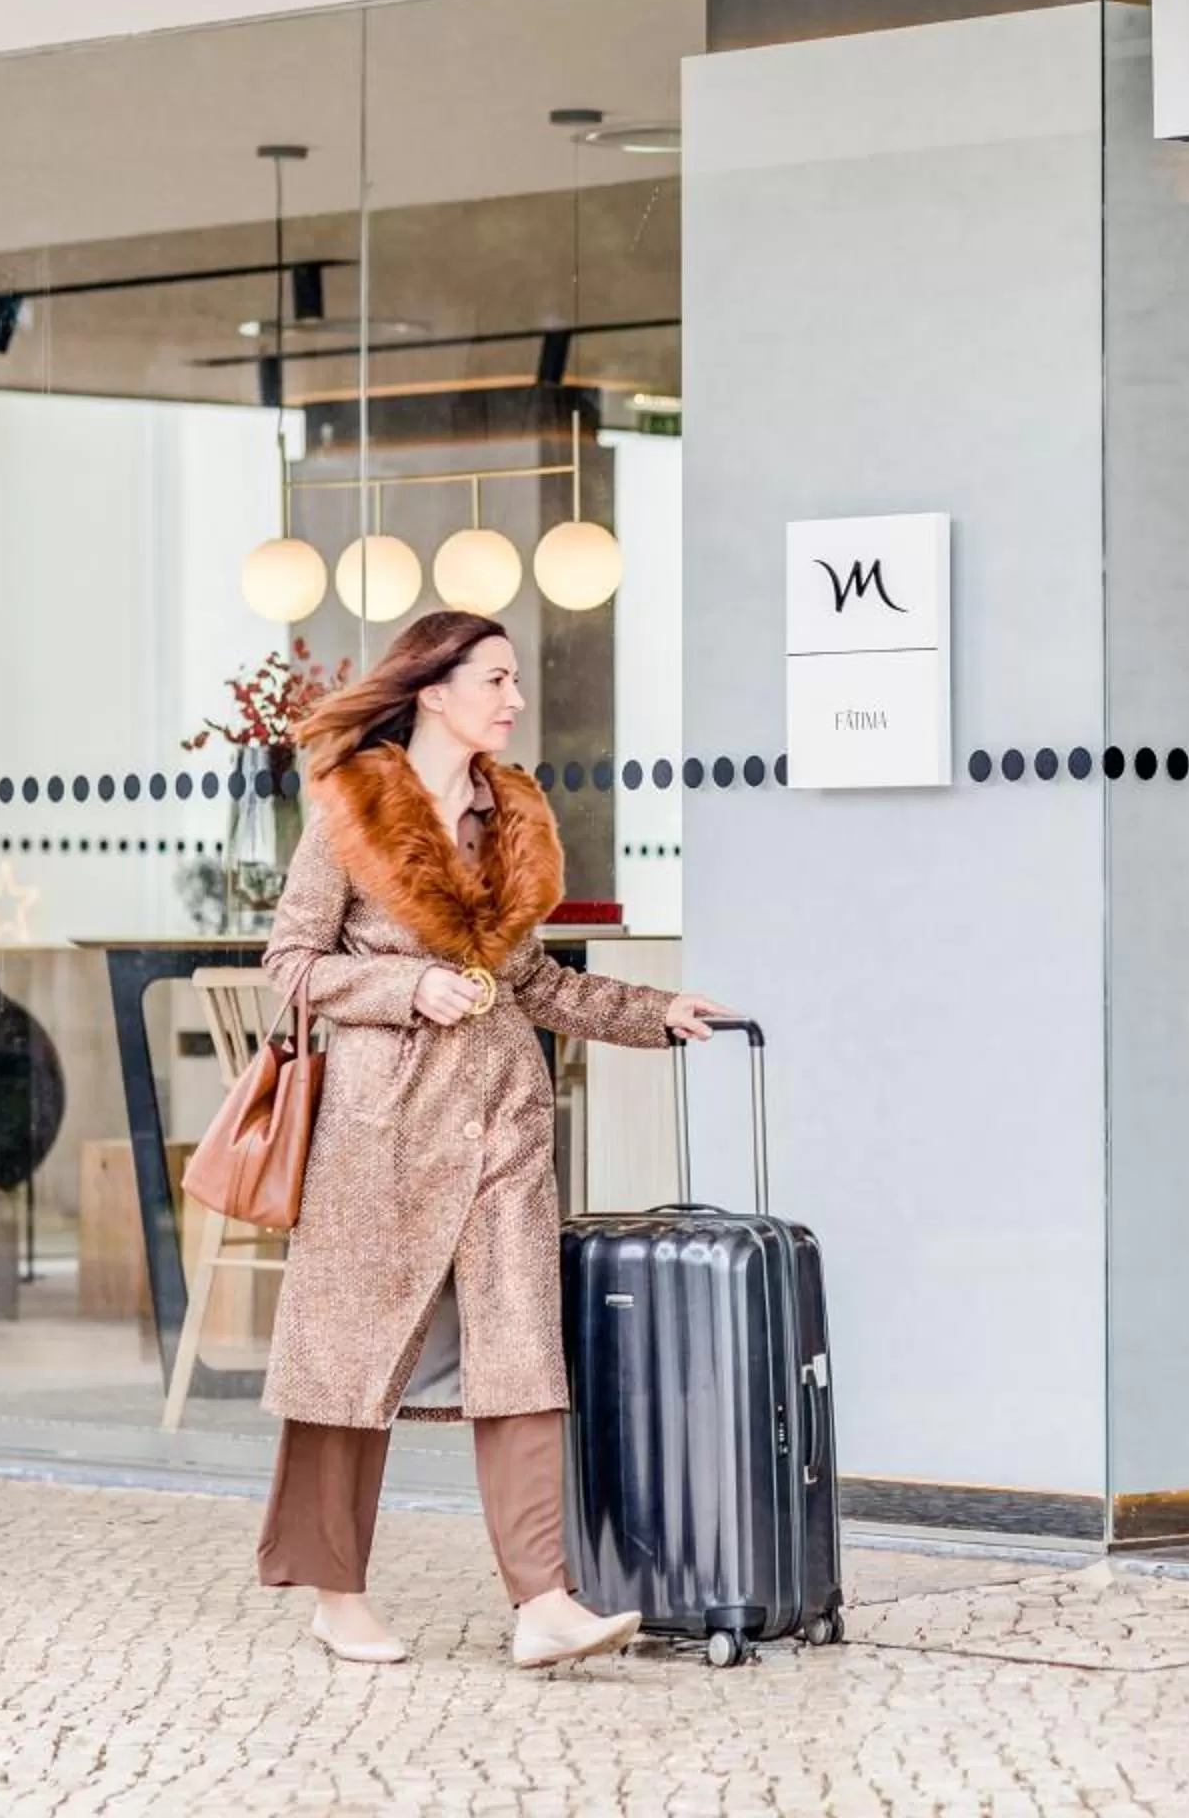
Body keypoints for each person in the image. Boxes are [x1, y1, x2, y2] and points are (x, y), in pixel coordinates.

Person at [255, 608, 731, 1667]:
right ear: (434, 686)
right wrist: (402, 982)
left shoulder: (511, 813)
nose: (516, 700)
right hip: (380, 1127)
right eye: (497, 679)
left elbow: (539, 981)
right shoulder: (350, 809)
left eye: (516, 681)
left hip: (506, 1118)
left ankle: (543, 1597)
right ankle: (336, 1592)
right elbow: (291, 961)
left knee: (523, 1351)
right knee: (349, 1358)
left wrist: (656, 1013)